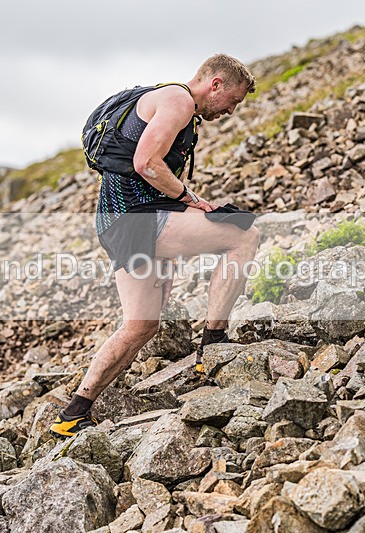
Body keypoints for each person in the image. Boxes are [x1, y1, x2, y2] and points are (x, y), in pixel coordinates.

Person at [50, 54, 260, 438]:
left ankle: (73, 413)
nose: (231, 111)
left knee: (141, 326)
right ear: (215, 84)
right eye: (233, 100)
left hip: (115, 221)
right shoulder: (178, 100)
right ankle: (212, 347)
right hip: (141, 218)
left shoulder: (160, 100)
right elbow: (146, 162)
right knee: (245, 235)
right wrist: (191, 199)